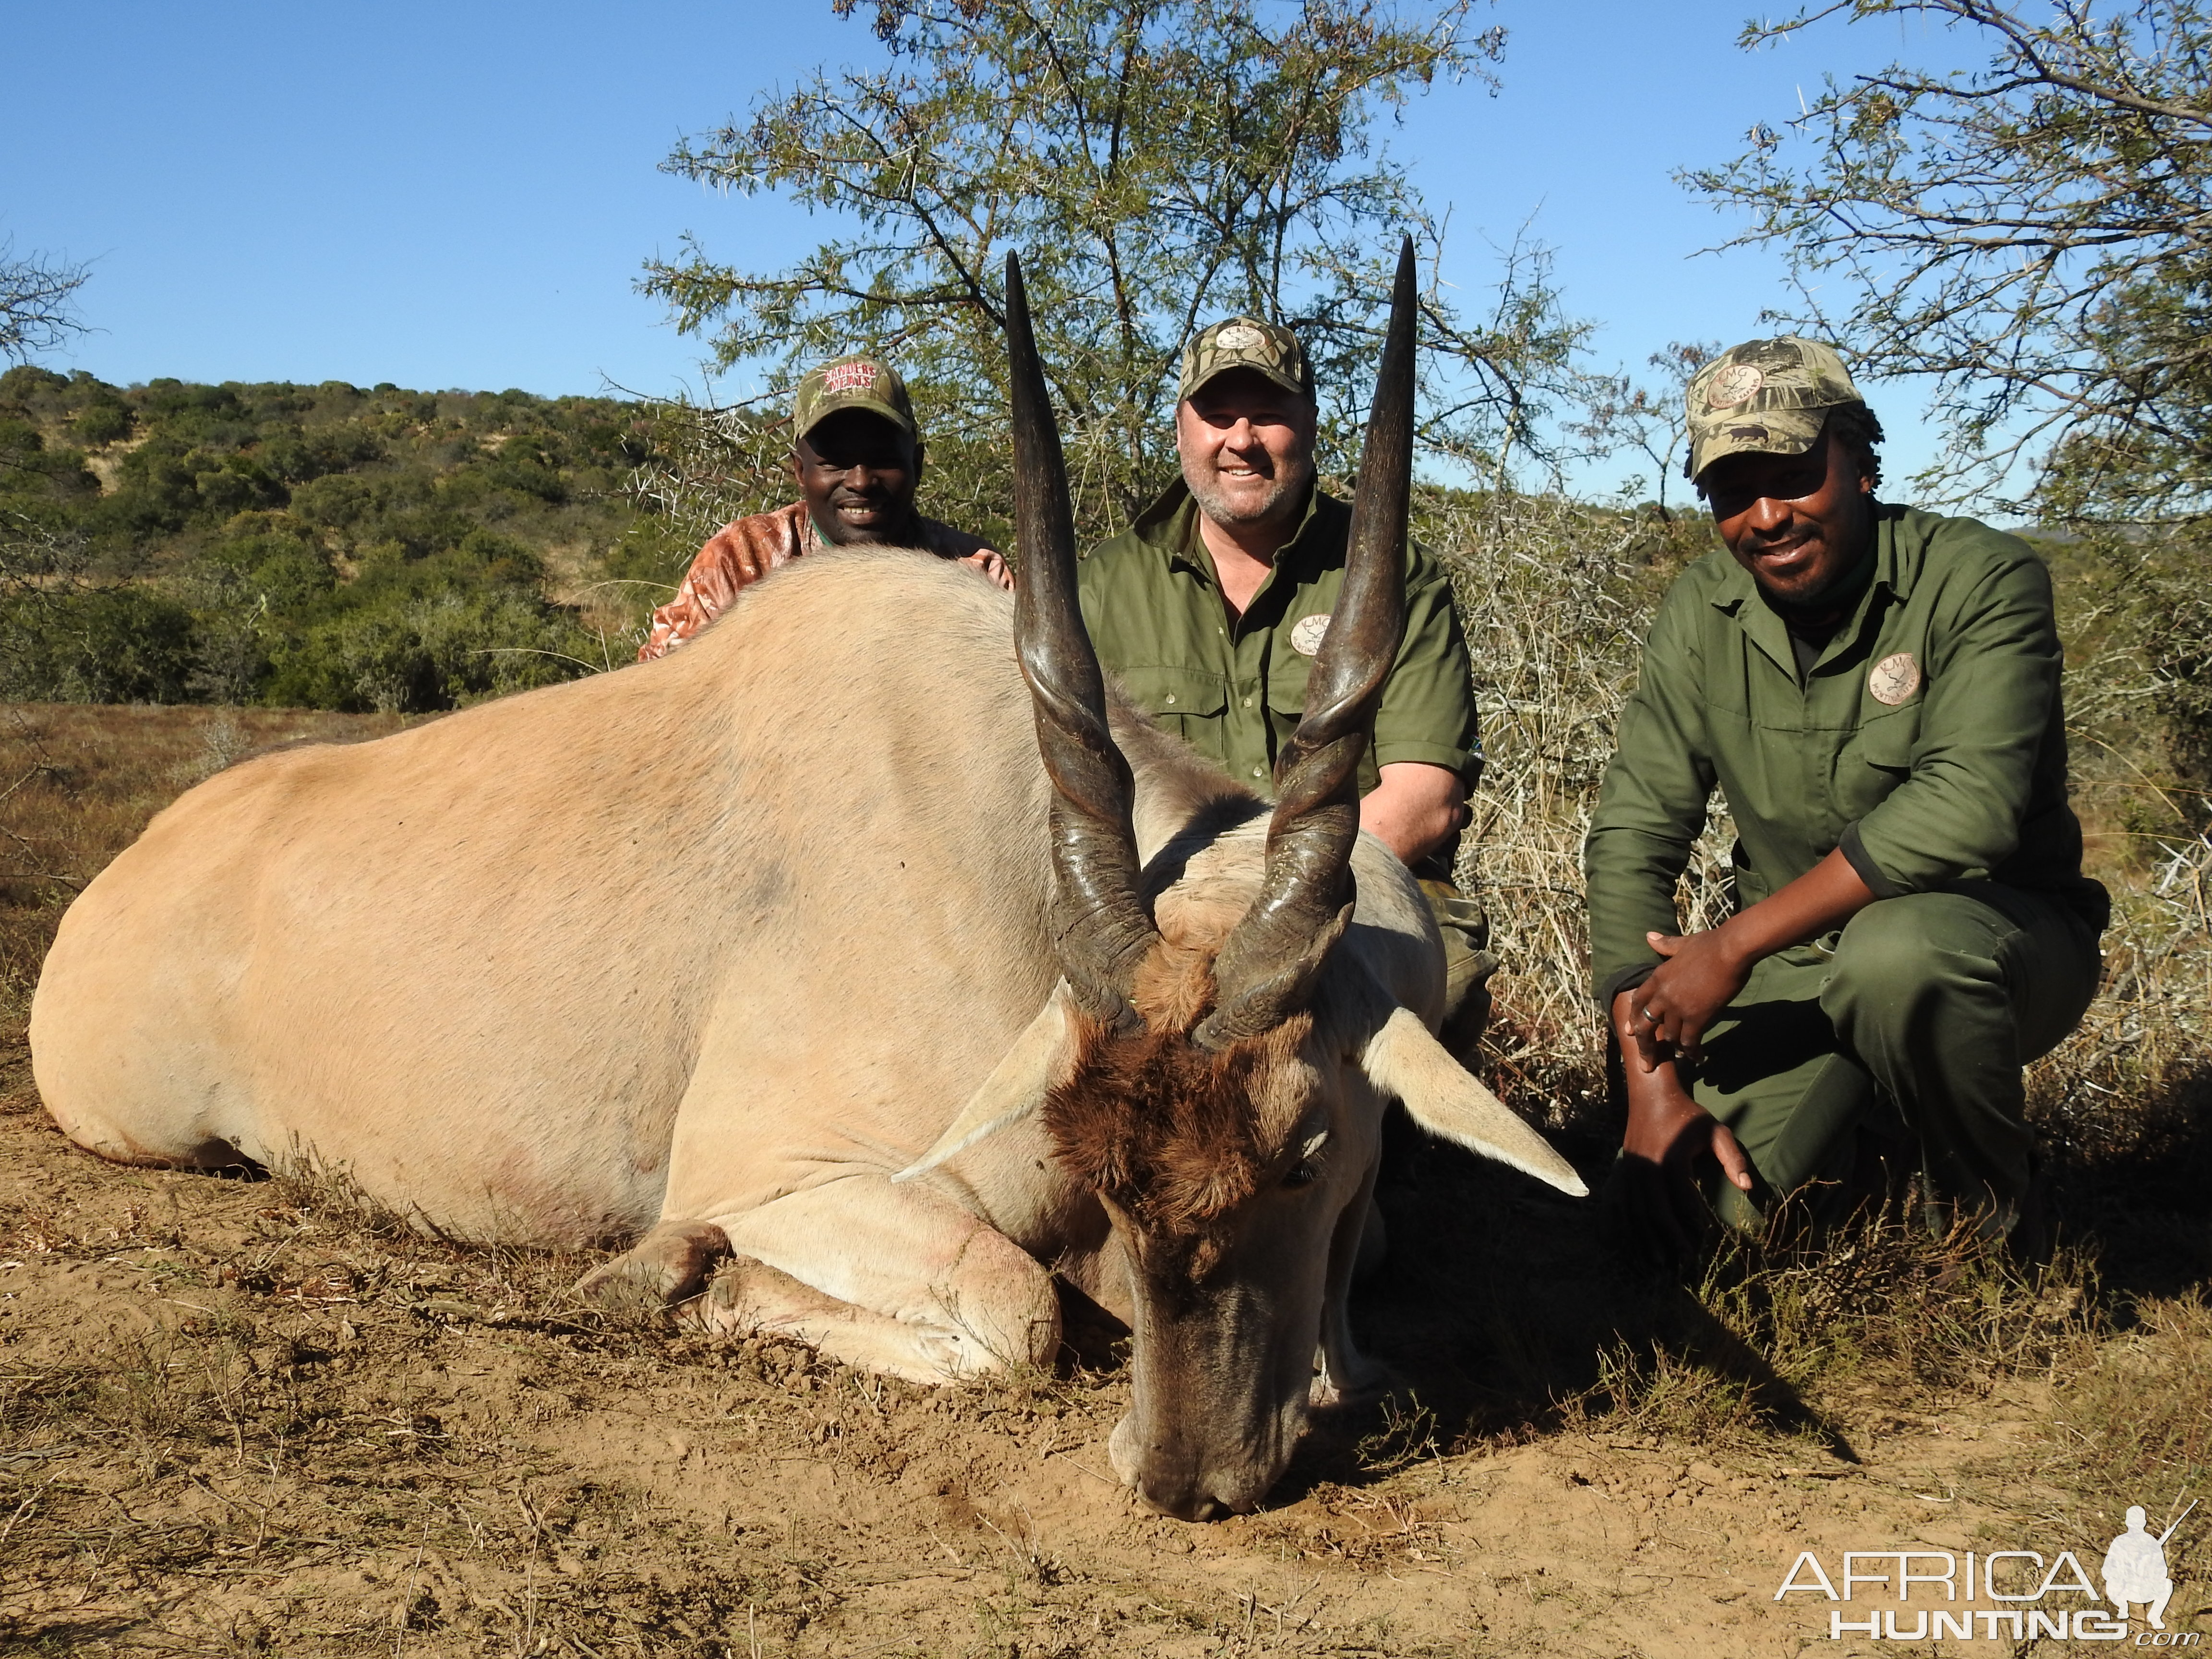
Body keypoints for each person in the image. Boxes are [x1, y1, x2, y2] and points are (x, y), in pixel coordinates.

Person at [1584, 336, 2107, 1255]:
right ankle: (1867, 1138)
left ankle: (1988, 1239)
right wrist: (1651, 1064)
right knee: (1679, 1233)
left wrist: (1731, 946)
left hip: (1989, 942)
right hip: (1792, 973)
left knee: (1895, 959)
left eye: (1791, 474)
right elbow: (1636, 824)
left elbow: (1967, 806)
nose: (1766, 515)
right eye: (1731, 490)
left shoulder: (1980, 578)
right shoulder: (1700, 609)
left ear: (1858, 462)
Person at [1079, 316, 1493, 1044]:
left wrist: (1271, 917)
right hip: (1160, 908)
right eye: (1216, 415)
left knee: (1448, 980)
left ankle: (1399, 1164)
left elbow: (1425, 802)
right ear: (1180, 427)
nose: (1241, 439)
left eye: (1268, 413)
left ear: (1309, 425)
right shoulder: (1106, 584)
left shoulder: (1397, 575)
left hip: (1353, 890)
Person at [640, 354, 1010, 661]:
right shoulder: (738, 561)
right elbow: (662, 695)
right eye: (835, 461)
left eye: (883, 459)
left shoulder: (976, 573)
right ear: (799, 471)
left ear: (918, 463)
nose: (861, 481)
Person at [2101, 1506, 2176, 1629]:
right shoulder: (2120, 1542)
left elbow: (2162, 1571)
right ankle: (2123, 1607)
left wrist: (2147, 1570)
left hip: (2142, 1589)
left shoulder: (2150, 1542)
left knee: (2167, 1584)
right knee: (2111, 1583)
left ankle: (2154, 1616)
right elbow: (2107, 1570)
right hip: (2124, 1589)